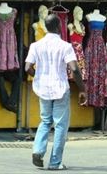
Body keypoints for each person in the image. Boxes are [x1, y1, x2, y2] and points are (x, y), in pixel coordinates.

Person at [25, 14, 87, 170]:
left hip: (43, 88)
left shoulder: (35, 45)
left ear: (45, 27)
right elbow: (74, 69)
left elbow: (27, 68)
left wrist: (38, 76)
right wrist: (82, 89)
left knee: (45, 121)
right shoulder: (65, 46)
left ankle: (38, 150)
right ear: (60, 27)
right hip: (60, 88)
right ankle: (55, 162)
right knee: (60, 126)